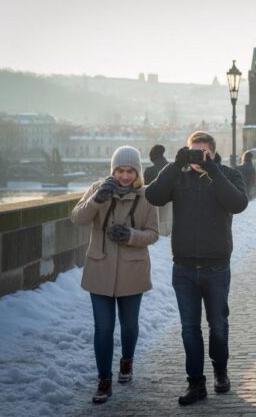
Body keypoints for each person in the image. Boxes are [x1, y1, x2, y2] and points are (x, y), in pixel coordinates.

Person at [145, 131, 248, 406]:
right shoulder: (179, 175)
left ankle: (220, 369)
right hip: (185, 267)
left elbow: (238, 204)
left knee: (218, 326)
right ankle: (195, 383)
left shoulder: (227, 174)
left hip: (216, 266)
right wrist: (173, 165)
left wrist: (213, 171)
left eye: (202, 152)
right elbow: (153, 195)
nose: (196, 157)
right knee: (189, 329)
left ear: (212, 153)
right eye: (192, 152)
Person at [71, 146, 159, 404]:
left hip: (133, 269)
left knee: (129, 325)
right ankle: (104, 380)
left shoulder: (147, 196)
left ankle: (127, 361)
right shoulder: (98, 188)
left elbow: (153, 234)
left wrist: (131, 236)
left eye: (130, 171)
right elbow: (77, 218)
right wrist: (98, 198)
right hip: (100, 268)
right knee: (103, 328)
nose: (124, 176)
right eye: (120, 170)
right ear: (113, 170)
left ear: (137, 172)